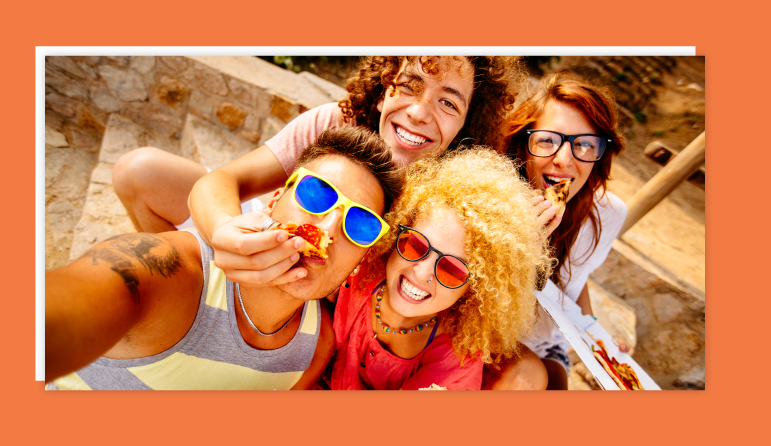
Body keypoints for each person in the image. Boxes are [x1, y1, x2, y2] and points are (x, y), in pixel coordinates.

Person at [112, 56, 525, 287]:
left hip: (323, 304)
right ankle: (178, 287)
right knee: (139, 171)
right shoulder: (331, 122)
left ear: (466, 127)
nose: (419, 113)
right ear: (384, 91)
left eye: (448, 103)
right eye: (410, 86)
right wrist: (227, 231)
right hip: (272, 231)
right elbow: (222, 181)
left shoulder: (454, 200)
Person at [45, 127, 403, 390]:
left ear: (360, 262)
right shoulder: (166, 272)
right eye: (316, 193)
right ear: (274, 200)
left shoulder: (317, 348)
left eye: (361, 223)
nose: (328, 228)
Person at [329, 148, 551, 390]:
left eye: (451, 269)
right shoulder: (355, 273)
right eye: (415, 245)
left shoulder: (457, 363)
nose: (422, 273)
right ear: (396, 232)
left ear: (474, 289)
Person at [484, 72, 628, 390]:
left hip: (542, 340)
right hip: (483, 330)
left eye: (585, 145)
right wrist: (520, 240)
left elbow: (577, 273)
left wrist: (595, 336)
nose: (563, 160)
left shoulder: (607, 213)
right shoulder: (489, 193)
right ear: (524, 143)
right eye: (548, 140)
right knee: (526, 380)